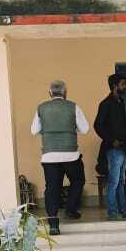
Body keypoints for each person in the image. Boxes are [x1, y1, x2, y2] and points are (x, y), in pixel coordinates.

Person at [31, 79, 89, 236]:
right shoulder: (73, 107)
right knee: (78, 180)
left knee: (52, 188)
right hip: (71, 154)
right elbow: (85, 129)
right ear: (65, 92)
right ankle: (70, 209)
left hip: (49, 156)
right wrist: (72, 128)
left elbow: (34, 130)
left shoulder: (41, 108)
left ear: (50, 93)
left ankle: (53, 224)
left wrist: (47, 130)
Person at [94, 73, 126, 221]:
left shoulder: (120, 102)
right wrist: (111, 140)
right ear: (115, 86)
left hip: (124, 148)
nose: (125, 87)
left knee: (121, 181)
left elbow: (123, 127)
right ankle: (112, 213)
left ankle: (123, 211)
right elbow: (98, 125)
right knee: (114, 182)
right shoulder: (106, 104)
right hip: (114, 149)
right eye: (123, 84)